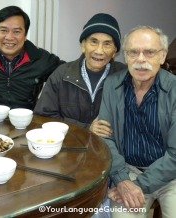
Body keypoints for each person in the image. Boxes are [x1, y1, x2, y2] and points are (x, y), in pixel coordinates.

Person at [98, 26, 176, 217]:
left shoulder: (174, 90)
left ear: (162, 56)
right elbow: (105, 137)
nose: (141, 59)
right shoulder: (112, 85)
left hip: (171, 175)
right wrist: (122, 179)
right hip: (128, 169)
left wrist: (136, 186)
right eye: (133, 52)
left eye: (150, 52)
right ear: (125, 56)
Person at [34, 13, 126, 132]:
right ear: (83, 45)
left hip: (108, 148)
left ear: (114, 52)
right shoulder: (61, 74)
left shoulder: (124, 76)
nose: (99, 51)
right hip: (69, 146)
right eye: (94, 41)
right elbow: (42, 118)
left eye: (107, 44)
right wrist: (86, 128)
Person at [0, 5, 61, 110]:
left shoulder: (40, 59)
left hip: (27, 121)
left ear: (25, 36)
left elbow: (68, 74)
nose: (9, 37)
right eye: (4, 30)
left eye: (16, 32)